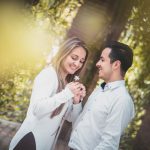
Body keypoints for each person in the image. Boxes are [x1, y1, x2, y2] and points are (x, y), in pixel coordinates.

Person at [9, 37, 88, 150]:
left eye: (81, 61)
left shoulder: (67, 84)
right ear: (63, 53)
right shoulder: (48, 75)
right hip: (30, 142)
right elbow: (37, 109)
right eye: (74, 57)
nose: (77, 64)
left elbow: (70, 118)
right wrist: (66, 93)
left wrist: (77, 101)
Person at [68, 41, 135, 150]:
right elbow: (80, 124)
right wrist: (77, 102)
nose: (97, 63)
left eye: (102, 60)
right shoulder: (100, 90)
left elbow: (109, 145)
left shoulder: (122, 100)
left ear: (116, 65)